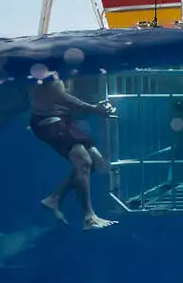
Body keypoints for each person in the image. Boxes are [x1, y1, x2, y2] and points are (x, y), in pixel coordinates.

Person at [28, 70, 118, 230]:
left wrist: (99, 106)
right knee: (83, 161)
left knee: (96, 161)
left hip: (63, 120)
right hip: (48, 121)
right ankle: (89, 217)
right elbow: (63, 98)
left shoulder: (60, 69)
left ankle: (55, 198)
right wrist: (94, 109)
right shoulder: (47, 72)